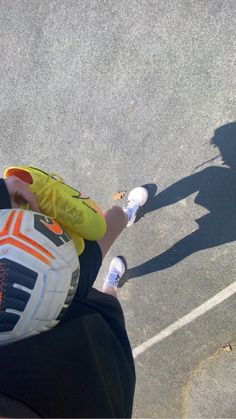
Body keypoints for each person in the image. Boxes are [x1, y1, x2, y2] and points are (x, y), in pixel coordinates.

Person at [0, 174, 148, 418]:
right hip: (81, 359)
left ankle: (126, 213)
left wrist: (2, 194)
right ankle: (111, 285)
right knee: (107, 305)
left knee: (106, 227)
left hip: (33, 283)